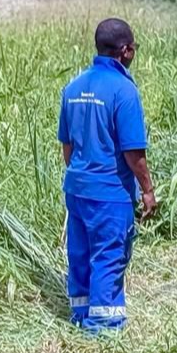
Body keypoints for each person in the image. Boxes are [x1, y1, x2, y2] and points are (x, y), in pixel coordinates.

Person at [58, 17, 155, 334]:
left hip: (77, 189)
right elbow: (133, 153)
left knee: (81, 254)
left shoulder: (73, 87)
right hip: (109, 194)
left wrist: (82, 176)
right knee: (108, 256)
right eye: (134, 48)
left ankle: (80, 316)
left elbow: (68, 147)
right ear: (125, 50)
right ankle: (103, 328)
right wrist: (148, 191)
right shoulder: (124, 91)